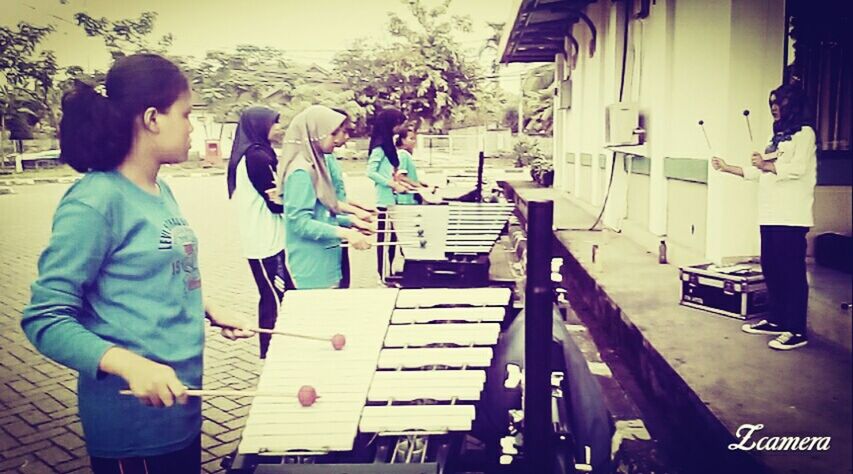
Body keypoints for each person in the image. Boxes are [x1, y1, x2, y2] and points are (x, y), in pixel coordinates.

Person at [21, 53, 253, 474]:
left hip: (181, 408)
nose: (191, 128)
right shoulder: (95, 201)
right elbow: (45, 318)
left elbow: (151, 273)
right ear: (151, 118)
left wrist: (206, 306)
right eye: (186, 115)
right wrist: (130, 365)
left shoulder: (158, 190)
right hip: (134, 430)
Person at [712, 83, 817, 350]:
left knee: (792, 273)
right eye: (771, 102)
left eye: (778, 102)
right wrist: (728, 168)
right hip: (770, 215)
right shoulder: (776, 138)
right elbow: (759, 172)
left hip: (791, 217)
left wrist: (768, 165)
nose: (773, 107)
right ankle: (777, 320)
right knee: (772, 269)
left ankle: (796, 330)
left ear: (791, 104)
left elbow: (798, 168)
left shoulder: (805, 134)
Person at [276, 105, 372, 289]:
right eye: (333, 134)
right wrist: (345, 233)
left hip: (327, 260)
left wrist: (350, 222)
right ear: (315, 133)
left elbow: (322, 214)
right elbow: (299, 223)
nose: (339, 140)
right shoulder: (300, 172)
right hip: (313, 266)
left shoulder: (316, 165)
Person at [227, 106, 293, 358]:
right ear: (260, 126)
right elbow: (275, 202)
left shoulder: (259, 153)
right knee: (274, 299)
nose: (279, 128)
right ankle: (271, 353)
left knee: (282, 295)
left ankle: (278, 351)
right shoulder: (256, 157)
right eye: (275, 123)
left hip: (268, 238)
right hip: (264, 242)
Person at [366, 108, 409, 278]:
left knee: (392, 241)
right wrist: (391, 183)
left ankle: (389, 272)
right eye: (398, 124)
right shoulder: (379, 147)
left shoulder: (388, 144)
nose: (399, 128)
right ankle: (382, 274)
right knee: (384, 242)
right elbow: (370, 172)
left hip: (393, 200)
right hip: (384, 201)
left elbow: (388, 170)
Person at [395, 126, 439, 205]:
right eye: (411, 139)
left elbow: (409, 176)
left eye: (415, 139)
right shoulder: (403, 154)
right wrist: (419, 186)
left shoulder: (406, 155)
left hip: (411, 196)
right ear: (403, 140)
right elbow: (401, 177)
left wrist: (421, 183)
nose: (414, 142)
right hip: (406, 197)